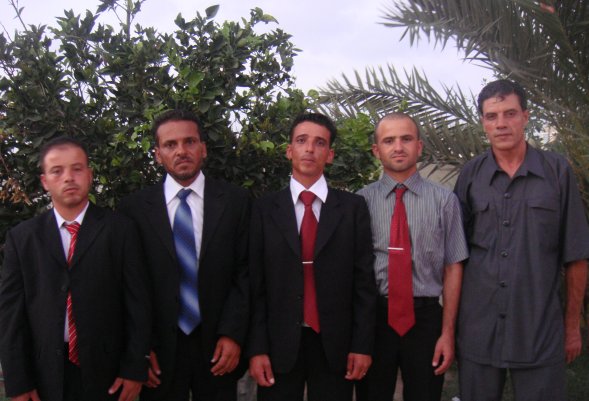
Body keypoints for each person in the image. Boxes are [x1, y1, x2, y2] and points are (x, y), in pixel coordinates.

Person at [454, 79, 589, 401]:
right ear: (483, 122)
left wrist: (572, 327)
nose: (501, 123)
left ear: (526, 116)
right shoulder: (471, 175)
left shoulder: (557, 172)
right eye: (492, 116)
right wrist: (451, 329)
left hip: (539, 330)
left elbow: (576, 255)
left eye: (510, 113)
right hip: (479, 330)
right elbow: (454, 258)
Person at [0, 136, 151, 401]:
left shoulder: (120, 230)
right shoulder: (23, 238)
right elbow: (11, 314)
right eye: (57, 171)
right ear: (45, 181)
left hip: (107, 370)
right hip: (45, 371)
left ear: (90, 175)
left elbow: (138, 303)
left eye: (77, 169)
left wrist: (135, 366)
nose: (68, 178)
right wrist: (19, 381)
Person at [118, 109, 250, 401]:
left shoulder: (236, 202)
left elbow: (245, 272)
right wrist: (141, 349)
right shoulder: (133, 210)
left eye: (189, 142)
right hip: (158, 352)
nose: (181, 151)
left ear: (203, 148)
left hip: (218, 346)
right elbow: (131, 285)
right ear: (158, 154)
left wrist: (233, 334)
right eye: (170, 144)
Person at [247, 112, 377, 401]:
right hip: (279, 343)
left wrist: (362, 345)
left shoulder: (352, 208)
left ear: (329, 155)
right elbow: (255, 285)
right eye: (301, 141)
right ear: (289, 150)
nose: (309, 149)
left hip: (336, 344)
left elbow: (364, 283)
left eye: (319, 143)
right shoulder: (264, 209)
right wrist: (257, 349)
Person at [355, 112, 468, 401]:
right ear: (376, 150)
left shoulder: (444, 201)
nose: (398, 147)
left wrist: (447, 332)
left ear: (419, 146)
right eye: (389, 140)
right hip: (375, 320)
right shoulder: (360, 202)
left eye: (406, 139)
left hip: (426, 321)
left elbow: (453, 267)